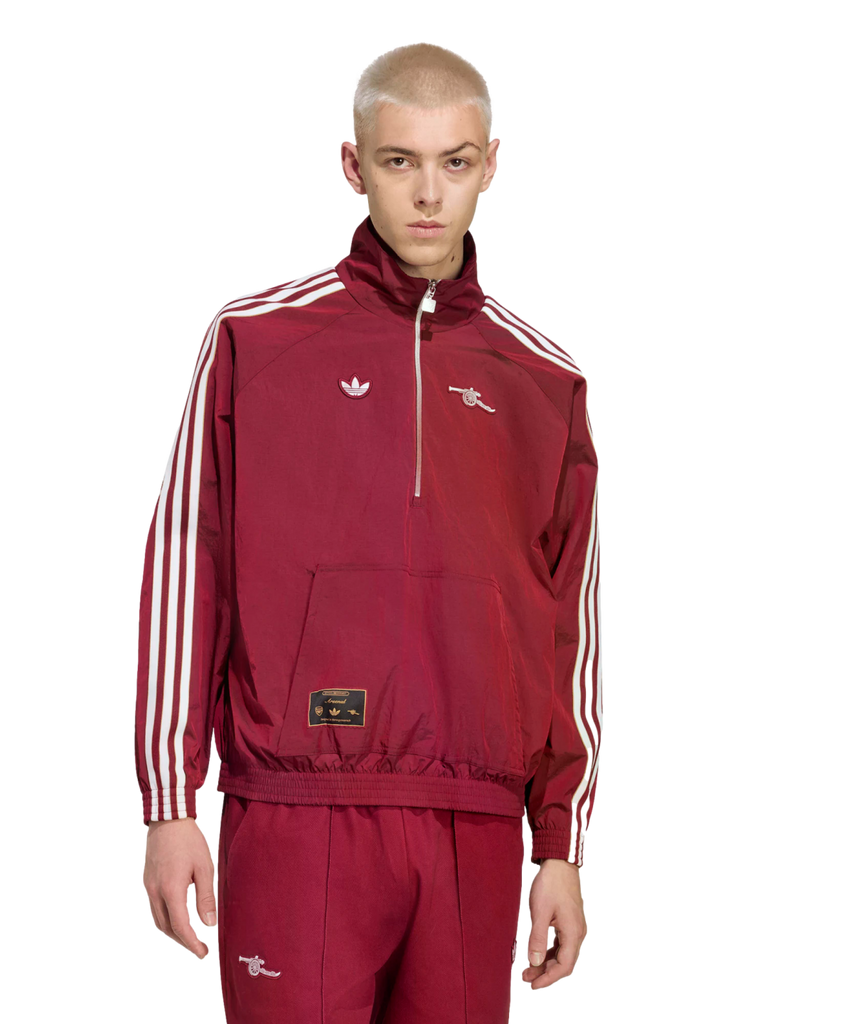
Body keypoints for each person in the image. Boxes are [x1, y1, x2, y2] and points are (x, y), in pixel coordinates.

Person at [136, 38, 602, 1021]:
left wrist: (562, 843)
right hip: (295, 807)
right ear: (353, 165)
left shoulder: (548, 378)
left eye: (454, 162)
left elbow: (574, 623)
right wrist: (170, 804)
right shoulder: (253, 335)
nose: (428, 194)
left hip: (477, 822)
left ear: (492, 164)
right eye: (400, 161)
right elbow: (185, 567)